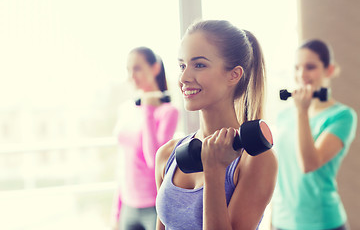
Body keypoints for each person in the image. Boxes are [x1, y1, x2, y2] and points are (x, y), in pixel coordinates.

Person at [155, 20, 278, 230]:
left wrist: (214, 170)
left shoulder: (256, 160)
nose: (183, 78)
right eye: (182, 66)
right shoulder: (168, 154)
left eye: (199, 65)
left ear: (234, 74)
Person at [271, 39, 357, 230]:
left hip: (323, 222)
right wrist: (272, 221)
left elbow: (309, 164)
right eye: (297, 68)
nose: (302, 75)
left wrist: (302, 112)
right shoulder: (284, 115)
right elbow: (282, 174)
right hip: (282, 222)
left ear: (329, 70)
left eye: (310, 67)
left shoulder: (343, 116)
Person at [112, 47, 179, 230]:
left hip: (153, 206)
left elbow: (153, 159)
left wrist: (148, 110)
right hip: (127, 205)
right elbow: (123, 163)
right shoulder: (126, 109)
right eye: (128, 70)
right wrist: (116, 212)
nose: (132, 76)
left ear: (155, 68)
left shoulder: (168, 112)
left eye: (137, 68)